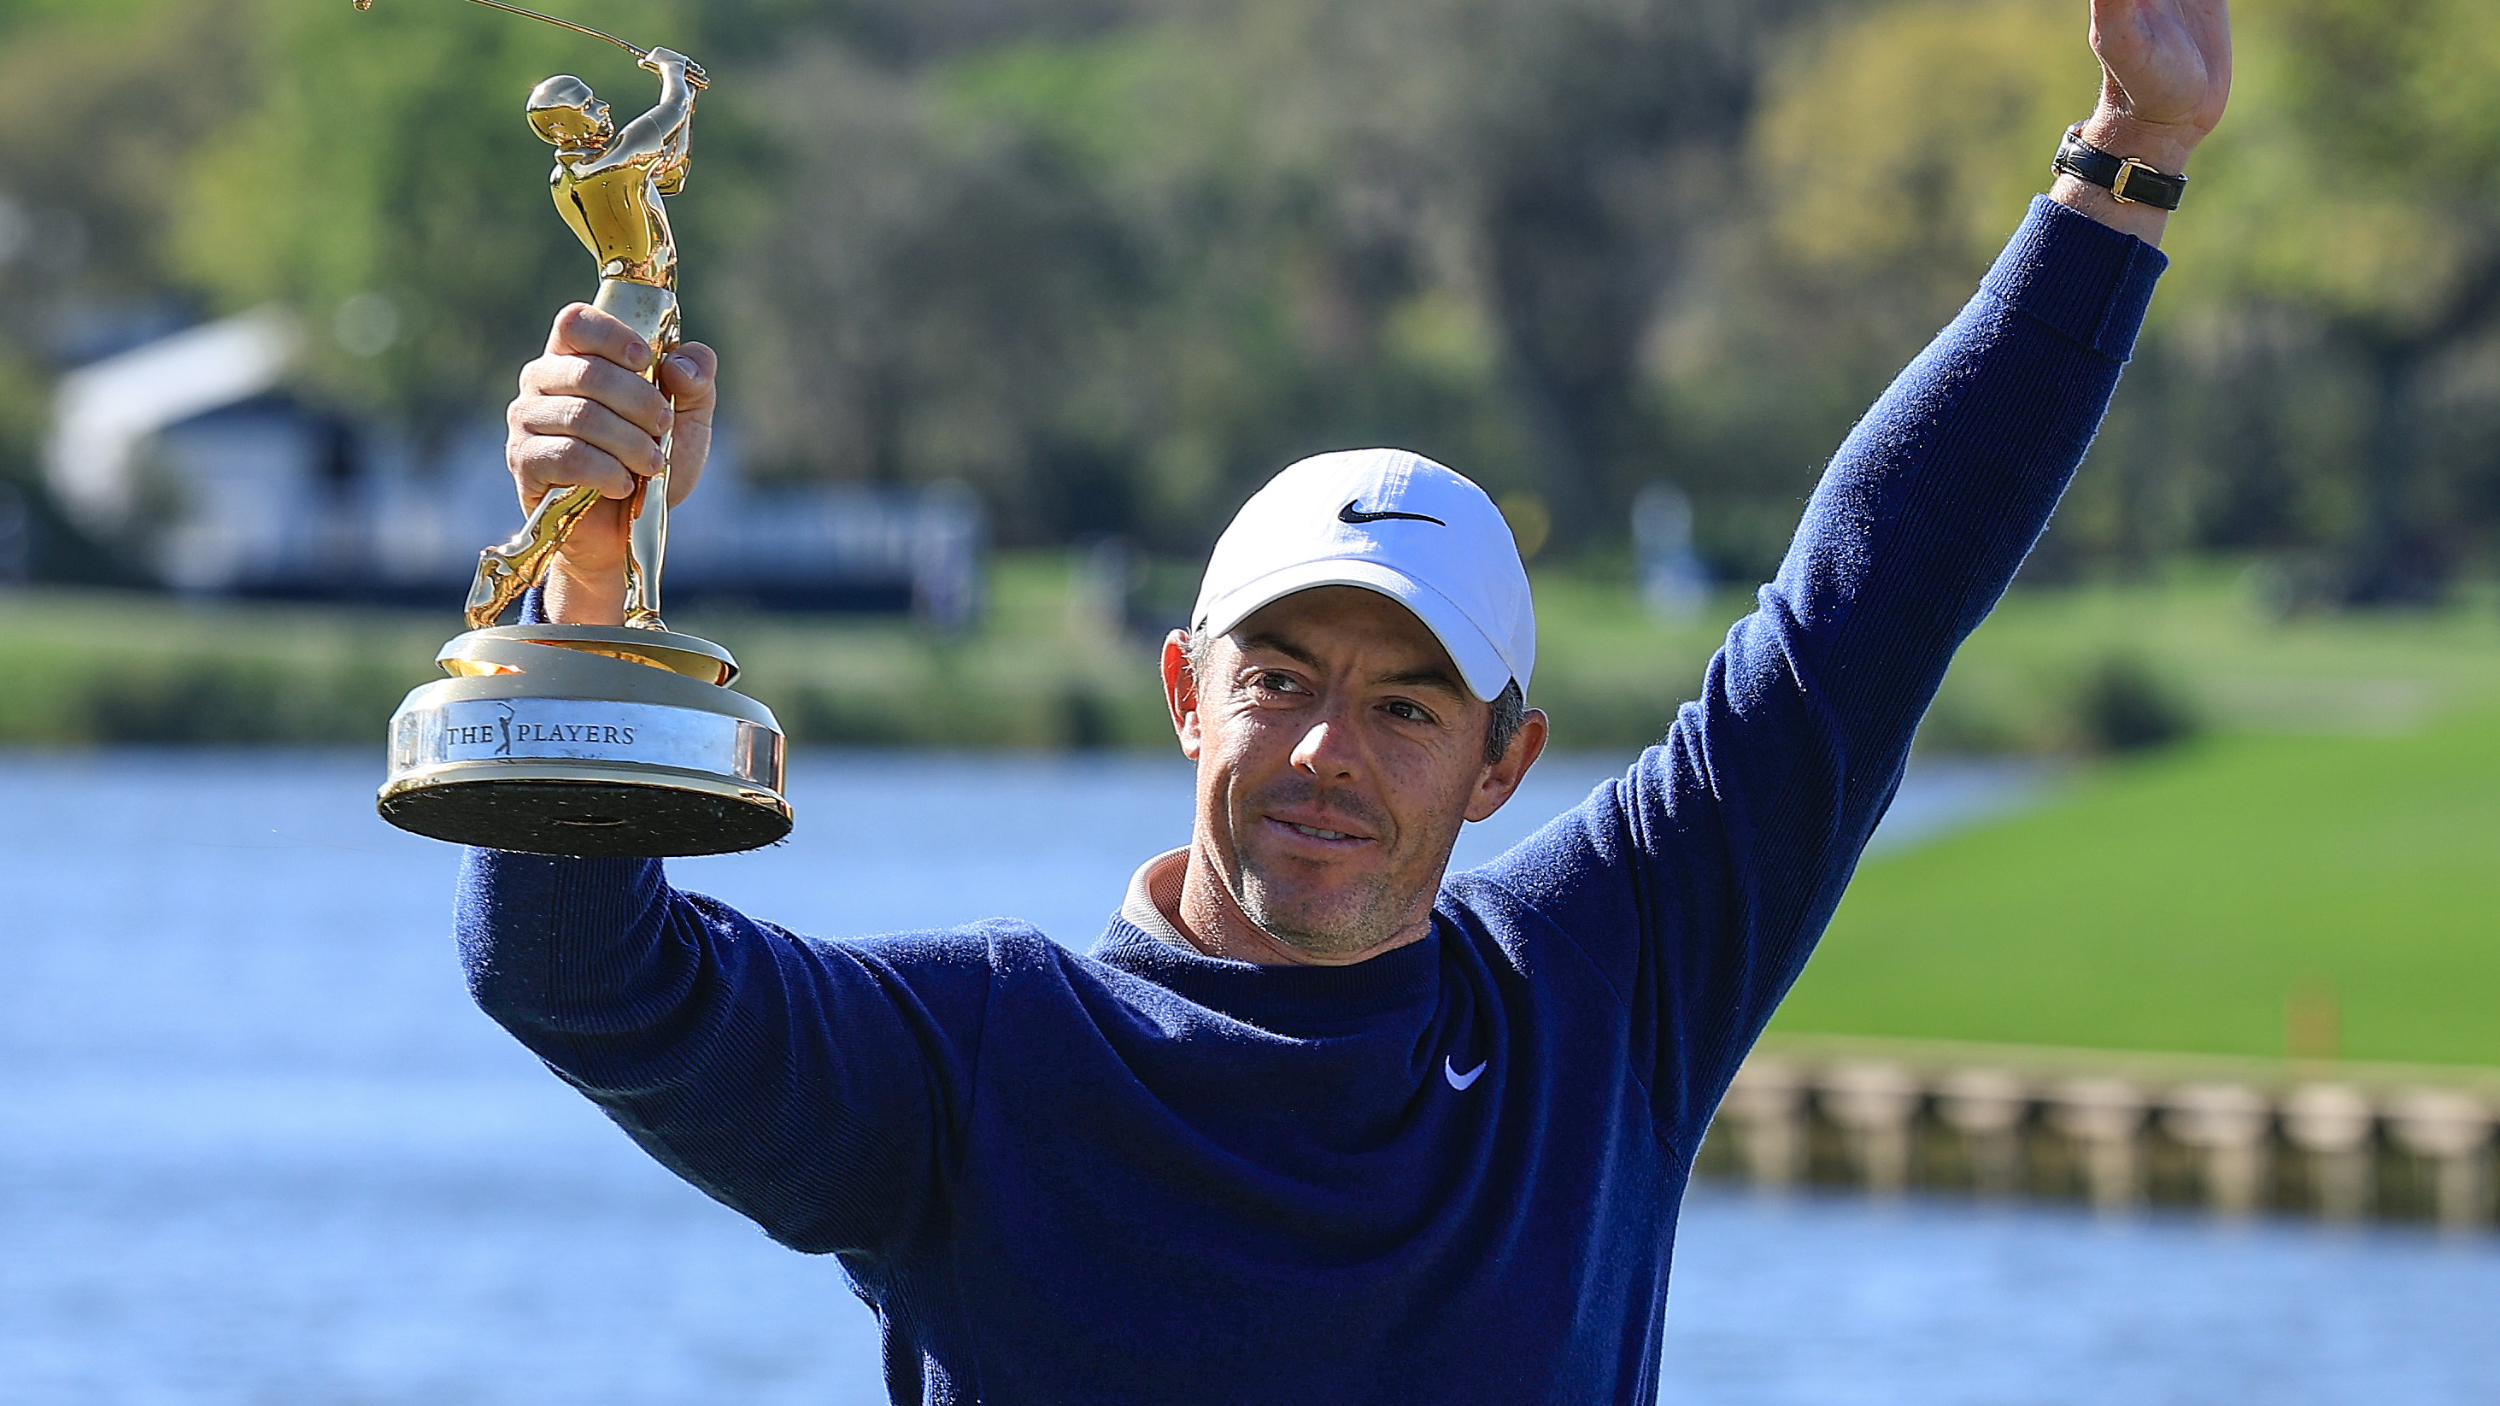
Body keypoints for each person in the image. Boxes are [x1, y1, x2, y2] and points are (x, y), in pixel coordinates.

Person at [472, 1, 2230, 1398]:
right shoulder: (978, 1064)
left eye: (1406, 706)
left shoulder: (1601, 994)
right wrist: (594, 577)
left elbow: (1869, 602)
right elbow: (570, 970)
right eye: (1280, 677)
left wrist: (2130, 156)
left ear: (1502, 760)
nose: (1326, 749)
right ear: (1184, 691)